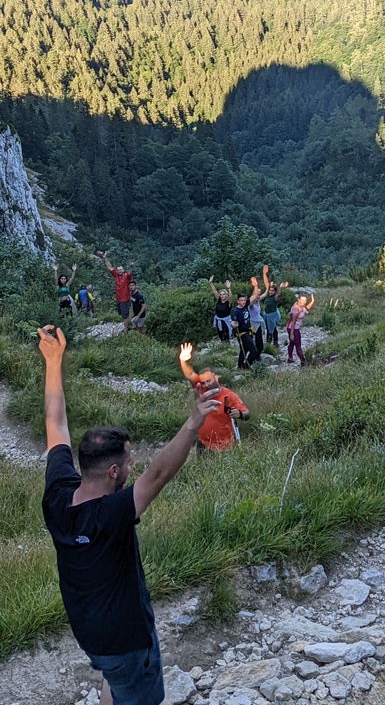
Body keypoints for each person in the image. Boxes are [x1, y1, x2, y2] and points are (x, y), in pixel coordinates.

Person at [39, 324, 221, 705]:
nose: (131, 464)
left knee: (114, 679)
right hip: (127, 643)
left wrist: (53, 360)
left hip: (89, 634)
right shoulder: (112, 512)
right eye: (127, 461)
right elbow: (158, 474)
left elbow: (54, 423)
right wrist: (193, 423)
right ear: (112, 473)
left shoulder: (57, 495)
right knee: (136, 692)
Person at [178, 342, 249, 452]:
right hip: (202, 443)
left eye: (209, 381)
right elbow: (190, 374)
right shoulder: (201, 388)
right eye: (204, 382)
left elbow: (246, 413)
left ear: (216, 378)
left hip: (222, 447)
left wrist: (239, 414)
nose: (207, 385)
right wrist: (183, 361)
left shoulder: (229, 396)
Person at [97, 252, 133, 331]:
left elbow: (130, 272)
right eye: (118, 270)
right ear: (117, 271)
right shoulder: (116, 275)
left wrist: (131, 266)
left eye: (121, 269)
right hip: (118, 299)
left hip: (124, 299)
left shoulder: (126, 276)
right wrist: (105, 258)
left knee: (125, 315)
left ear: (123, 270)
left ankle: (126, 331)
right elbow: (109, 267)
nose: (120, 271)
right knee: (121, 314)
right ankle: (128, 325)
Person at [231, 292, 259, 370]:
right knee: (254, 351)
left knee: (244, 349)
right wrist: (233, 324)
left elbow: (254, 295)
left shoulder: (246, 305)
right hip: (242, 334)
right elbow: (233, 322)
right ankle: (247, 366)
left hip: (248, 331)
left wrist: (255, 286)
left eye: (244, 300)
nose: (243, 302)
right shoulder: (236, 311)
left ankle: (240, 366)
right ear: (238, 301)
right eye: (241, 300)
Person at [287, 292, 315, 366]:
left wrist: (312, 301)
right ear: (298, 300)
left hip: (295, 328)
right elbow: (293, 322)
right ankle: (302, 360)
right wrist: (292, 334)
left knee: (292, 343)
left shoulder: (302, 306)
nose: (304, 302)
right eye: (302, 300)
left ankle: (290, 357)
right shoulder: (296, 308)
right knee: (298, 344)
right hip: (293, 328)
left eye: (305, 301)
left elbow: (306, 308)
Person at [262, 272, 288, 345]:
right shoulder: (267, 295)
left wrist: (281, 288)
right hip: (266, 314)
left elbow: (279, 294)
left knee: (273, 328)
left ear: (274, 291)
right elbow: (266, 284)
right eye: (270, 290)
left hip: (272, 315)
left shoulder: (275, 297)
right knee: (268, 328)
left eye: (272, 290)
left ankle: (274, 342)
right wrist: (264, 274)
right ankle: (269, 342)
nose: (271, 292)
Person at [209, 276, 233, 342]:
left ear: (226, 295)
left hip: (225, 321)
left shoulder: (228, 303)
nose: (222, 296)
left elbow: (231, 297)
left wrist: (229, 288)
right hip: (218, 320)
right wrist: (211, 283)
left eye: (224, 294)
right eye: (221, 294)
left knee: (226, 335)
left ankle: (227, 347)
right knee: (220, 335)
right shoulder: (219, 301)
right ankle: (223, 346)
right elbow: (214, 291)